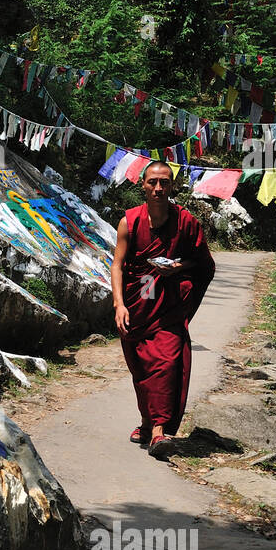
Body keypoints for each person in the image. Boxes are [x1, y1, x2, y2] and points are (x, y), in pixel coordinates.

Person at [111, 161, 215, 459]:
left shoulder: (186, 222)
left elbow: (202, 263)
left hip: (169, 305)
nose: (158, 188)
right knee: (141, 368)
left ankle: (159, 432)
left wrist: (178, 267)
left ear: (172, 186)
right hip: (137, 301)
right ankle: (146, 422)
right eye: (152, 182)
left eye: (164, 182)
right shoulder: (129, 222)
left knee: (166, 363)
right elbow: (117, 265)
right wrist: (118, 304)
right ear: (142, 185)